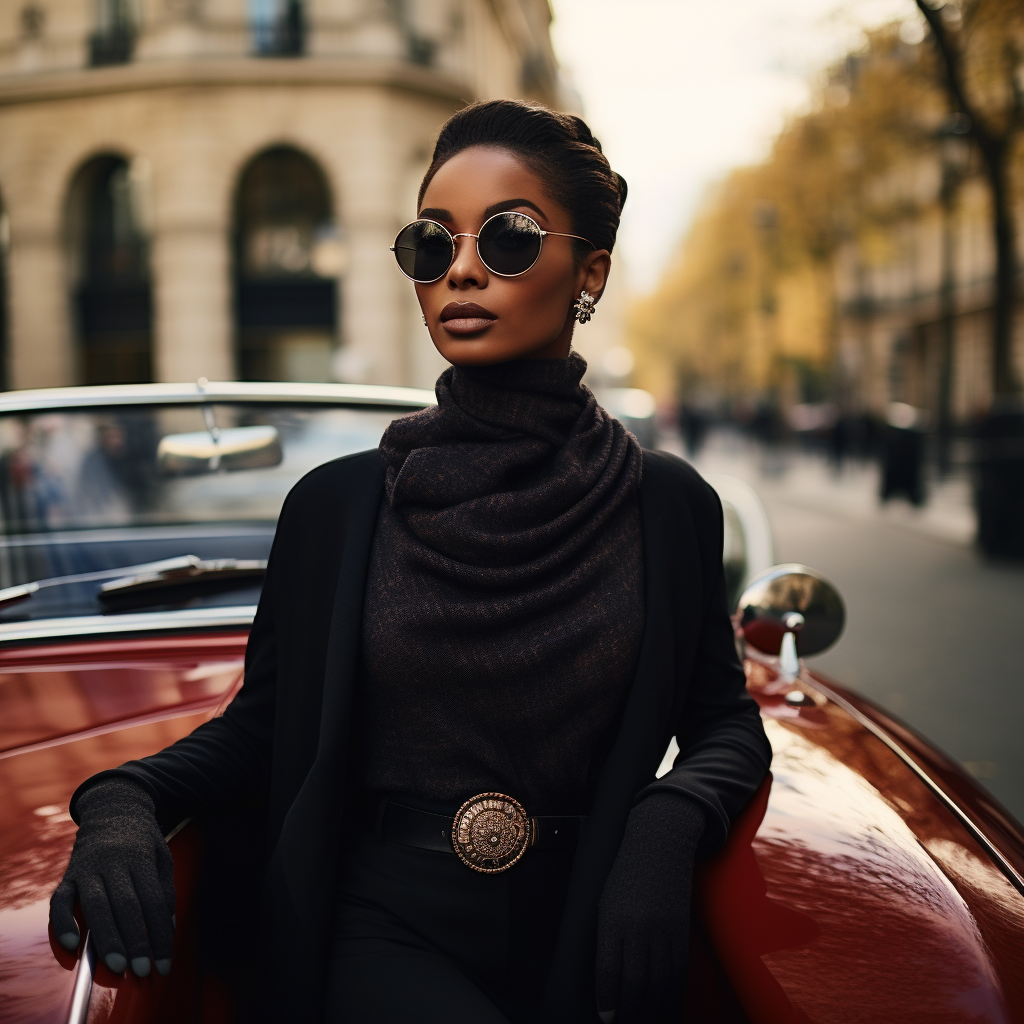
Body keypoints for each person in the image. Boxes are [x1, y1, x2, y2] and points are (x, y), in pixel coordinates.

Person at [50, 100, 771, 1024]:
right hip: (377, 929)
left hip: (592, 925)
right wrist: (122, 797)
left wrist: (667, 826)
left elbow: (726, 724)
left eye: (508, 238)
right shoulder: (340, 505)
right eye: (433, 244)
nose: (462, 268)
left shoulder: (666, 504)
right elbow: (264, 729)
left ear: (590, 271)